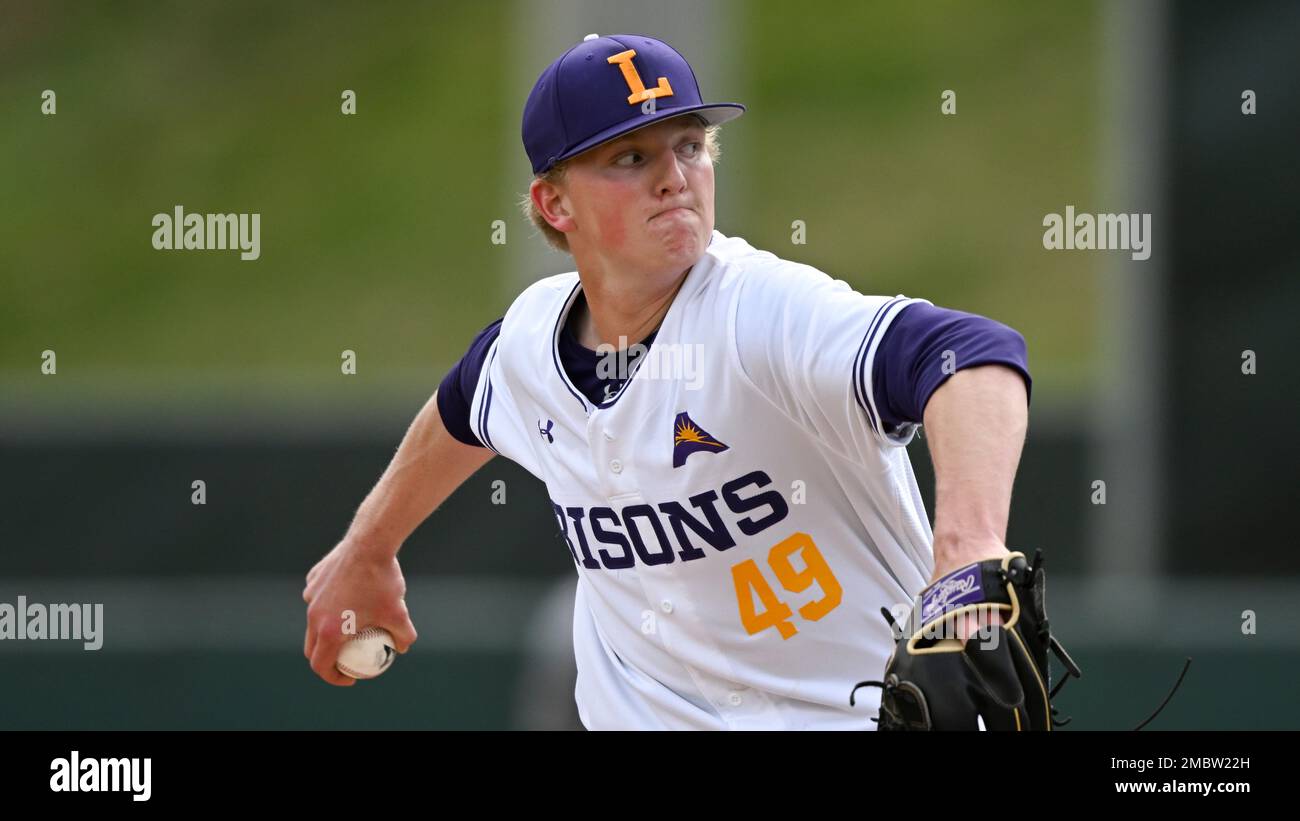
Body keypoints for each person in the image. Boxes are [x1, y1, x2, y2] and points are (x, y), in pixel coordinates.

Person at [303, 33, 1031, 730]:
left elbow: (970, 353)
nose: (674, 176)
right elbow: (462, 409)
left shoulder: (762, 311)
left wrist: (965, 545)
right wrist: (367, 548)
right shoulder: (529, 343)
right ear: (555, 203)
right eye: (630, 155)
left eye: (689, 146)